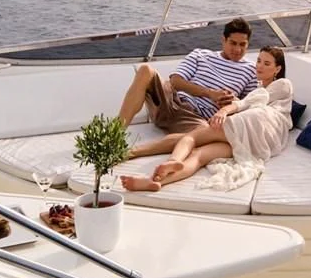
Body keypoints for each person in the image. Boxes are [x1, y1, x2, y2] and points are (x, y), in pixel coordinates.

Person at [121, 46, 292, 191]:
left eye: (266, 63)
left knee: (192, 137)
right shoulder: (259, 88)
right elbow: (247, 102)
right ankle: (156, 181)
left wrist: (223, 111)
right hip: (256, 144)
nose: (260, 66)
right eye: (259, 61)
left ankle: (174, 160)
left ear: (277, 69)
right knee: (198, 156)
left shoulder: (283, 84)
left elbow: (248, 104)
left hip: (256, 125)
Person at [115, 17, 258, 159]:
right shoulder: (200, 55)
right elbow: (175, 81)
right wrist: (210, 93)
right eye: (233, 43)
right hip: (172, 101)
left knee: (203, 134)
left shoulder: (251, 70)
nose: (237, 49)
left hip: (196, 118)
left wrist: (231, 102)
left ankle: (130, 153)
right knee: (145, 70)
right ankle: (114, 135)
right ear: (223, 40)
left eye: (242, 45)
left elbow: (249, 105)